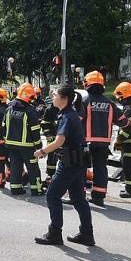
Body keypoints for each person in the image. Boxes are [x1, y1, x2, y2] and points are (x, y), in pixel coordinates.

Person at [34, 84, 95, 246]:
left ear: (64, 98)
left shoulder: (67, 116)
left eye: (55, 95)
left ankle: (54, 233)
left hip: (70, 162)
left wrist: (42, 151)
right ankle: (87, 234)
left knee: (52, 195)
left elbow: (59, 141)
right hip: (77, 161)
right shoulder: (68, 114)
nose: (52, 97)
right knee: (78, 198)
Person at [82, 71, 121, 206]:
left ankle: (79, 195)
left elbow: (76, 119)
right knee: (100, 168)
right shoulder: (110, 103)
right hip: (104, 142)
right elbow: (124, 121)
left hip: (86, 142)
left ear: (87, 84)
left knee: (81, 168)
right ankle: (98, 197)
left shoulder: (85, 101)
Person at [4, 83, 43, 196]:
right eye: (31, 97)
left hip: (11, 144)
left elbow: (3, 126)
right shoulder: (29, 111)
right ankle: (36, 189)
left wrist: (5, 140)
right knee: (33, 167)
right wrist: (39, 146)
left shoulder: (9, 108)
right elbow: (35, 130)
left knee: (15, 166)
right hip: (27, 146)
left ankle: (15, 189)